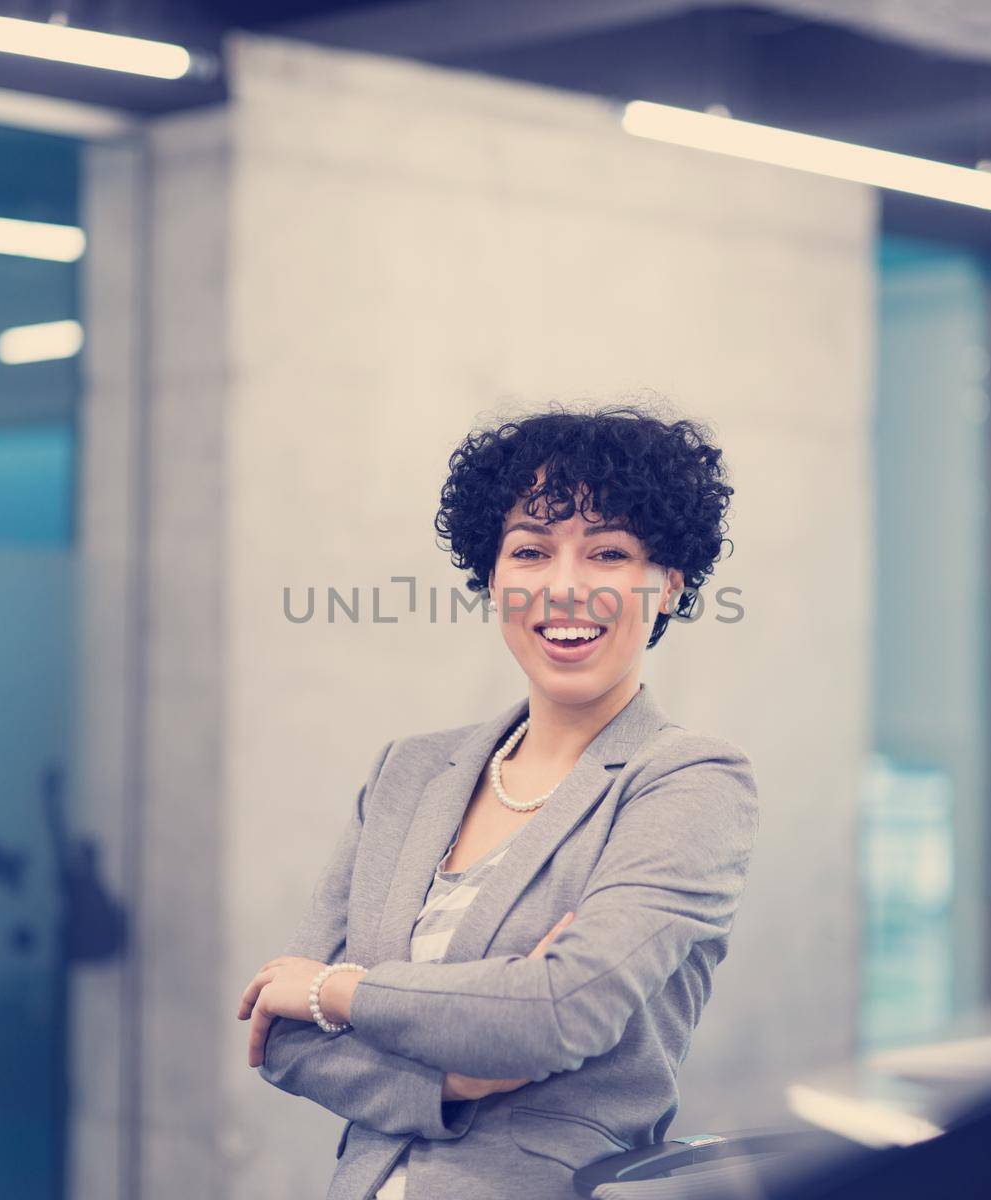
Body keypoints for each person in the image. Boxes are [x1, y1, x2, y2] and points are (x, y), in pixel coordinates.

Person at [238, 402, 761, 1199]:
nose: (564, 587)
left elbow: (556, 1013)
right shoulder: (408, 773)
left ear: (669, 585)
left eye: (609, 553)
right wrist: (450, 1080)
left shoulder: (690, 782)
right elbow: (285, 1042)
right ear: (493, 579)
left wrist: (335, 989)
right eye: (530, 551)